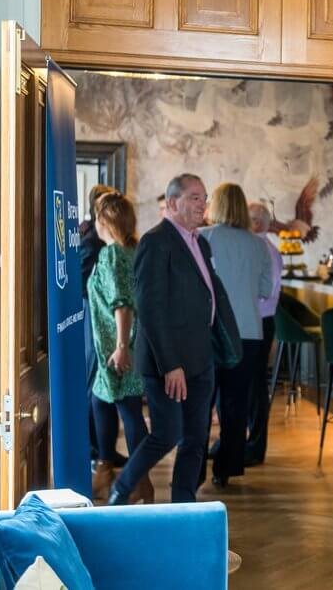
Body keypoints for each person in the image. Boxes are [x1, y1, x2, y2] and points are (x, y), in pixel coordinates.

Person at [108, 173, 242, 504]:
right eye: (194, 197)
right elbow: (150, 310)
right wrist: (171, 365)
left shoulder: (201, 241)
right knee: (167, 434)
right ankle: (121, 489)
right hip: (168, 363)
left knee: (196, 438)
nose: (203, 204)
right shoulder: (156, 242)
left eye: (204, 197)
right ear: (172, 203)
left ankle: (183, 507)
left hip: (201, 358)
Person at [200, 183, 273, 486]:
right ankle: (225, 470)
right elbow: (265, 291)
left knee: (202, 404)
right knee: (235, 404)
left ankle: (193, 470)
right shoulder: (259, 245)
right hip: (248, 332)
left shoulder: (203, 238)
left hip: (211, 331)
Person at [87, 192, 152, 503]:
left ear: (104, 222)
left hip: (118, 346)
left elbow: (122, 304)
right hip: (121, 345)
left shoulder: (112, 254)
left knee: (127, 409)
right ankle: (114, 475)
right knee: (108, 404)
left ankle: (133, 480)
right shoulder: (132, 250)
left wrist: (121, 346)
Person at [79, 183, 127, 470]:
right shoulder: (94, 247)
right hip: (96, 325)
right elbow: (86, 290)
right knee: (95, 388)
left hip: (107, 328)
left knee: (107, 390)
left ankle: (105, 450)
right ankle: (98, 450)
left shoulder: (113, 250)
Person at [247, 201, 282, 465]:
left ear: (257, 222)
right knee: (250, 386)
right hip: (256, 321)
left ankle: (255, 446)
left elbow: (266, 293)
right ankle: (248, 443)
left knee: (255, 386)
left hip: (259, 322)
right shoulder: (260, 247)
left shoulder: (263, 249)